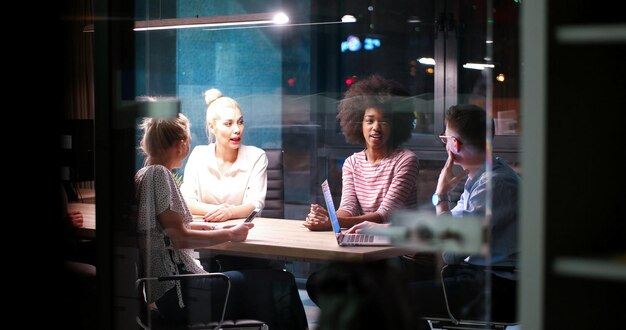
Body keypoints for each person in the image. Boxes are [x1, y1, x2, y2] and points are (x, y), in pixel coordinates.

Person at [346, 104, 520, 328]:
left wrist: (441, 194)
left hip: (494, 287)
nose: (445, 143)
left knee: (383, 300)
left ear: (454, 144)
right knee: (386, 286)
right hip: (478, 277)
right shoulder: (483, 178)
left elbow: (449, 252)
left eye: (445, 138)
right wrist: (381, 229)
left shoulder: (494, 184)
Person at [135, 113, 307, 329]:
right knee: (280, 283)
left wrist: (204, 226)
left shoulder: (144, 174)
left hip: (172, 290)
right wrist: (230, 234)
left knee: (264, 286)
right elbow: (179, 238)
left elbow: (166, 230)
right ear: (180, 145)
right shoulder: (159, 174)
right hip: (182, 293)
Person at [303, 74, 419, 231]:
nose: (376, 128)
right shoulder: (352, 163)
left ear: (395, 125)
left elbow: (384, 215)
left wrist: (333, 222)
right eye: (370, 121)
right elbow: (348, 207)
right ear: (359, 124)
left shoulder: (406, 160)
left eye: (384, 121)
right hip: (365, 240)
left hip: (401, 247)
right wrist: (326, 217)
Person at [181, 88, 268, 222]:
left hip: (244, 232)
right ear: (212, 127)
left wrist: (229, 213)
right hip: (206, 229)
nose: (237, 130)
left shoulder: (257, 156)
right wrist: (219, 212)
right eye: (228, 124)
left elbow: (256, 204)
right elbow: (186, 201)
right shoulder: (199, 155)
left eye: (240, 122)